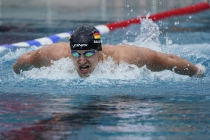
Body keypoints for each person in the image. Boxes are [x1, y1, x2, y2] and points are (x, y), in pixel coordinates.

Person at [12, 25, 205, 78]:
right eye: (76, 54)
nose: (81, 61)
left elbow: (168, 59)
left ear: (99, 50)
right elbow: (26, 58)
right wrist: (16, 71)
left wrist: (197, 71)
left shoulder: (127, 58)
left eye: (88, 53)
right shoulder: (56, 54)